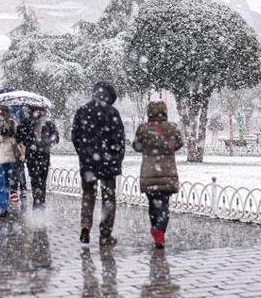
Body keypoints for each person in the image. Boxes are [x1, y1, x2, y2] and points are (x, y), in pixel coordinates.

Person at [71, 81, 125, 246]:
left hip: (88, 163)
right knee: (108, 198)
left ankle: (85, 226)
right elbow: (119, 140)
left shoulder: (82, 111)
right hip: (108, 163)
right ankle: (105, 235)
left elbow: (75, 136)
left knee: (88, 195)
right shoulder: (113, 113)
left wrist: (84, 153)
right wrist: (116, 158)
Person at [132, 100, 183, 249]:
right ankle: (160, 231)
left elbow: (136, 146)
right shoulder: (172, 128)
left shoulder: (143, 129)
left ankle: (156, 229)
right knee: (164, 205)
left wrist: (148, 147)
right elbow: (179, 144)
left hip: (149, 173)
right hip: (167, 172)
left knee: (153, 205)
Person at [16, 106, 59, 209]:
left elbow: (56, 138)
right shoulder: (27, 123)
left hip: (44, 155)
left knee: (41, 180)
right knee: (36, 180)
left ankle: (40, 202)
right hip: (32, 155)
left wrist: (45, 142)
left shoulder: (48, 123)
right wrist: (30, 142)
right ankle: (38, 202)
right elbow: (19, 136)